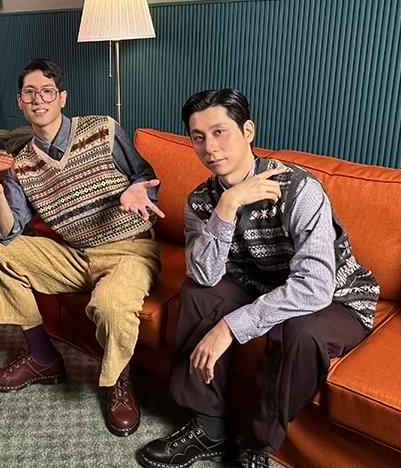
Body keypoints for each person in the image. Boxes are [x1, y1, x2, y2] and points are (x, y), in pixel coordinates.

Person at [138, 89, 379, 468]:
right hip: (259, 282)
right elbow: (204, 274)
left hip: (336, 295)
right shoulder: (201, 200)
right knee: (199, 294)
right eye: (198, 137)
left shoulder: (299, 189)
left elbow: (314, 286)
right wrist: (227, 206)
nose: (210, 147)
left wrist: (230, 327)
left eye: (220, 132)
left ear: (248, 131)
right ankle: (210, 427)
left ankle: (256, 445)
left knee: (299, 332)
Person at [0, 58, 163, 437]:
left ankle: (119, 381)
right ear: (20, 101)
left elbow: (145, 176)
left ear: (62, 97)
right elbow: (7, 232)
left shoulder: (103, 129)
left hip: (129, 249)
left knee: (110, 305)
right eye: (30, 92)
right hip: (76, 254)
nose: (39, 99)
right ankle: (42, 356)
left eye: (47, 91)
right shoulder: (21, 166)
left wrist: (137, 189)